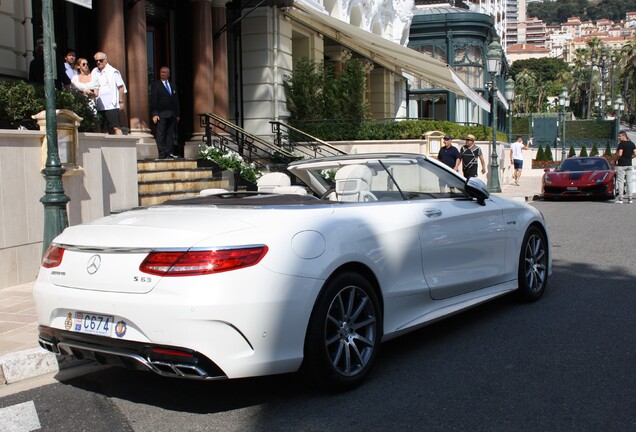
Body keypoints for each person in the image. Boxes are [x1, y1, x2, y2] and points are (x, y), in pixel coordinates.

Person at [92, 52, 127, 134]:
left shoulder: (113, 71)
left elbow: (121, 87)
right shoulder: (94, 71)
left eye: (100, 60)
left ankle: (120, 145)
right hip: (99, 105)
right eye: (96, 61)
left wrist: (121, 101)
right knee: (102, 128)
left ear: (106, 60)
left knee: (115, 127)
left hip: (111, 105)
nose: (98, 62)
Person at [150, 66, 180, 159]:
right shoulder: (156, 85)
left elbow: (176, 101)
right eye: (161, 72)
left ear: (168, 74)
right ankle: (162, 152)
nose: (162, 73)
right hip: (161, 114)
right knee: (161, 133)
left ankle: (169, 152)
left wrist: (178, 114)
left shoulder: (173, 85)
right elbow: (154, 100)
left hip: (172, 114)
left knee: (170, 134)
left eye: (164, 72)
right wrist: (155, 114)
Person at [614, 130, 636, 204]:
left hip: (621, 165)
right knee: (629, 181)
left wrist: (615, 160)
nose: (618, 137)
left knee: (621, 181)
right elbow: (635, 153)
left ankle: (621, 199)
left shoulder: (621, 144)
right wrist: (630, 158)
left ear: (624, 136)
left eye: (619, 136)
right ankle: (630, 199)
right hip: (629, 165)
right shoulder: (632, 143)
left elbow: (620, 154)